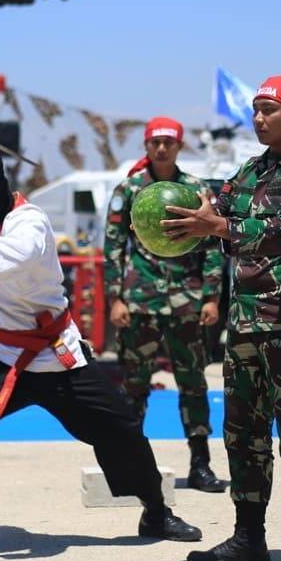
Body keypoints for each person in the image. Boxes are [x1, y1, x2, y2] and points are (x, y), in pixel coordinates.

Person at [0, 114, 202, 556]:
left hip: (55, 352)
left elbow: (16, 254)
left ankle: (156, 511)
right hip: (0, 353)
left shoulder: (29, 222)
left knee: (121, 425)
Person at [161, 76, 281, 561]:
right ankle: (248, 537)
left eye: (269, 109)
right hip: (244, 328)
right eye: (255, 110)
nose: (258, 119)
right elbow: (216, 206)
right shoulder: (249, 171)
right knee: (242, 436)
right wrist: (181, 215)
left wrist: (216, 227)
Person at [104, 116, 226, 493]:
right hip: (140, 302)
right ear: (146, 145)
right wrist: (115, 297)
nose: (161, 148)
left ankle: (201, 463)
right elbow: (112, 246)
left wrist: (210, 295)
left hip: (187, 302)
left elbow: (212, 246)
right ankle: (130, 463)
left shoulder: (195, 190)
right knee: (135, 386)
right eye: (155, 142)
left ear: (179, 146)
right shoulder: (129, 189)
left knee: (193, 384)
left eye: (168, 142)